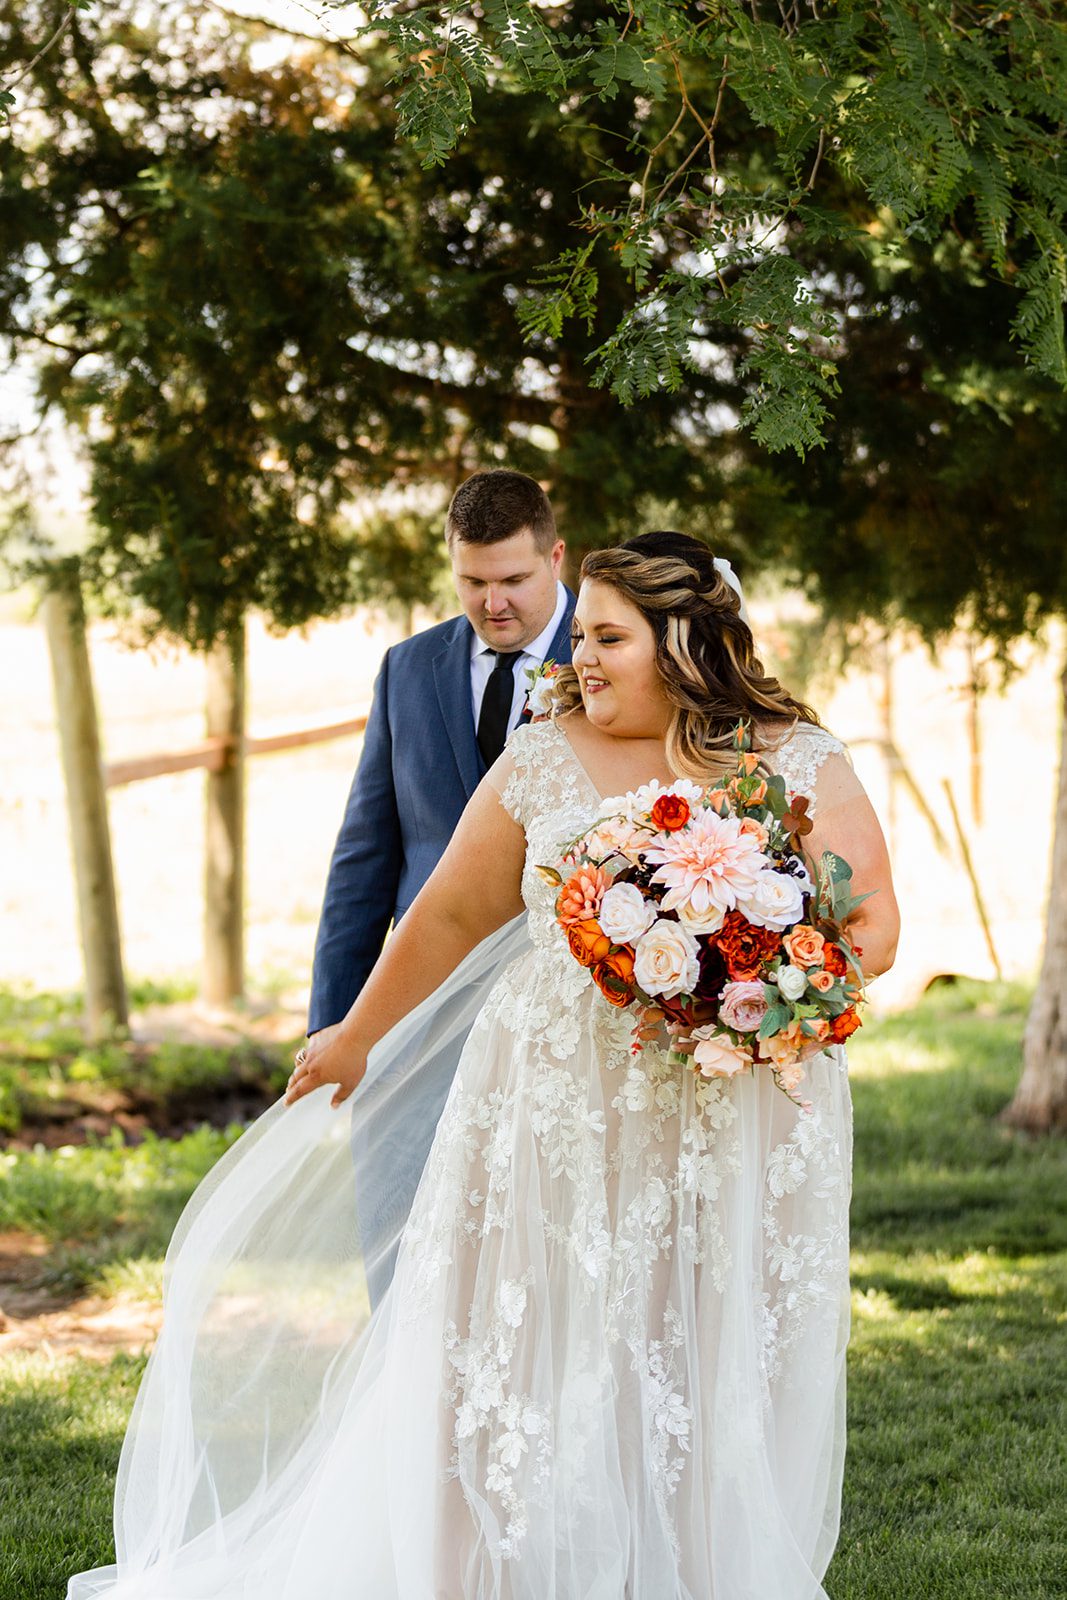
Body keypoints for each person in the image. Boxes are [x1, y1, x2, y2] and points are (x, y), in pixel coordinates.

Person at [67, 532, 899, 1600]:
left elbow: (869, 923)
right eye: (583, 635)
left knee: (695, 1351)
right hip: (545, 1097)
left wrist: (746, 976)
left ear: (685, 643)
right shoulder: (543, 752)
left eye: (606, 637)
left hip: (724, 1104)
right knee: (490, 1350)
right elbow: (452, 909)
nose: (579, 659)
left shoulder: (793, 757)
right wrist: (355, 1034)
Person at [307, 467, 575, 1045]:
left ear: (555, 558)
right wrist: (333, 1021)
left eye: (513, 579)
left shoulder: (609, 660)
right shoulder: (406, 668)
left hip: (562, 1008)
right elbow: (365, 854)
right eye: (472, 581)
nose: (493, 602)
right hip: (421, 1001)